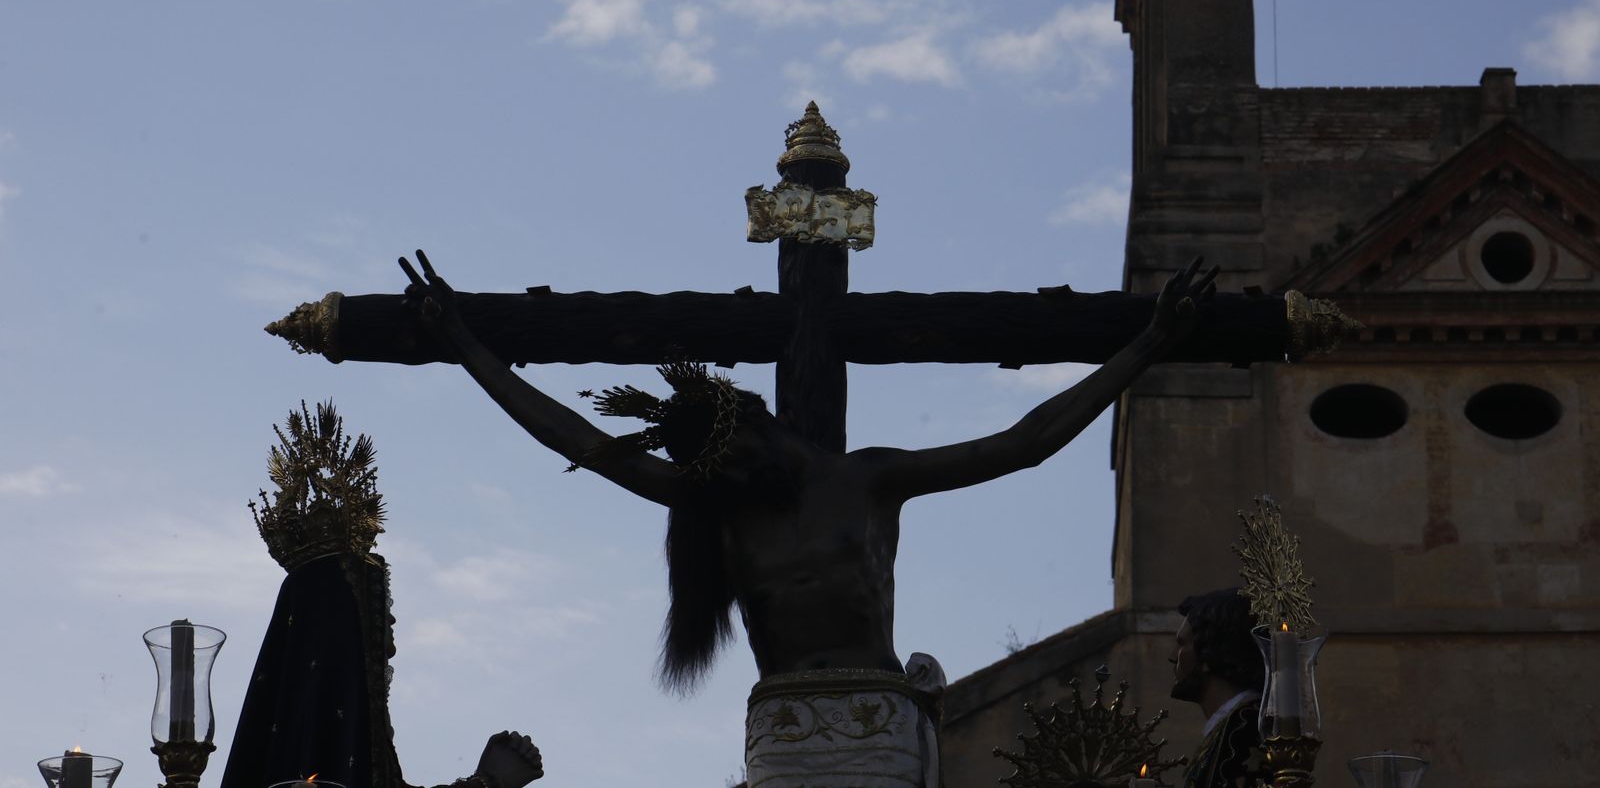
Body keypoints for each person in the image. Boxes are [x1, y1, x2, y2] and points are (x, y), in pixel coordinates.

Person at [400, 252, 1217, 787]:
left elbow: (1023, 444)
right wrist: (467, 343)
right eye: (711, 474)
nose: (729, 481)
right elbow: (573, 435)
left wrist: (1145, 348)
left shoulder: (869, 481)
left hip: (879, 723)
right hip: (782, 731)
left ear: (758, 423)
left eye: (732, 461)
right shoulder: (712, 502)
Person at [222, 402, 545, 788]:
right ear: (342, 627)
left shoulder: (353, 747)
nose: (389, 627)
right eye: (378, 611)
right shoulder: (309, 760)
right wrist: (488, 783)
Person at [1169, 588, 1265, 788]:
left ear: (1208, 655)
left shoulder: (1245, 733)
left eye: (1181, 644)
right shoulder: (1228, 729)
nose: (1172, 656)